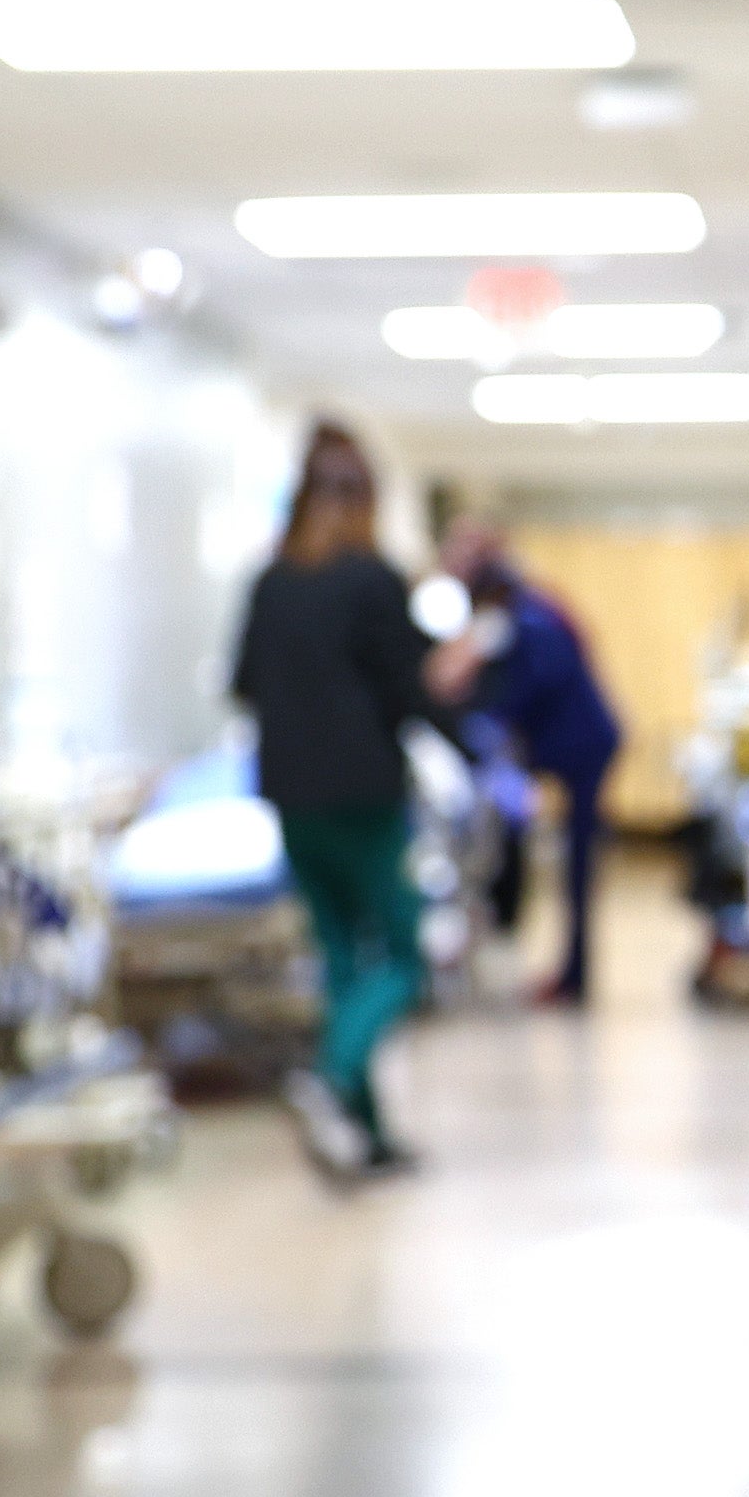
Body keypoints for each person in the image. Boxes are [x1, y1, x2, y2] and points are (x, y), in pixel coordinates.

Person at [231, 424, 436, 1181]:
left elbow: (244, 683)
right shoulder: (373, 580)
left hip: (293, 800)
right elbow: (409, 691)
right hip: (363, 800)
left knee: (345, 962)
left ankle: (367, 1135)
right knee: (405, 957)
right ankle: (331, 1074)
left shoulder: (270, 583)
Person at [431, 518, 626, 1006]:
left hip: (583, 747)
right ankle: (567, 971)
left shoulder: (530, 615)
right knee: (558, 859)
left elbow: (541, 679)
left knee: (578, 868)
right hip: (561, 749)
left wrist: (492, 718)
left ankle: (575, 977)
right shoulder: (519, 614)